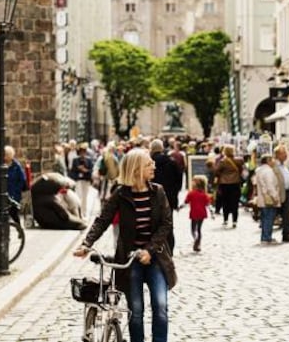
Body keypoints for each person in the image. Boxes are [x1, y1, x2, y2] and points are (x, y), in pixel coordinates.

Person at [73, 148, 176, 342]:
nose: (153, 166)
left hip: (155, 257)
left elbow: (166, 224)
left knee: (160, 306)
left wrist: (149, 250)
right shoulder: (121, 194)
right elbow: (102, 220)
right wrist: (87, 244)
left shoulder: (158, 192)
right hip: (130, 260)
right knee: (135, 310)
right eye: (148, 164)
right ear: (137, 170)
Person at [214, 144, 244, 228]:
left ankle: (225, 220)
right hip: (235, 183)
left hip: (224, 184)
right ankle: (234, 221)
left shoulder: (222, 161)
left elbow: (216, 171)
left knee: (225, 202)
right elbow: (242, 169)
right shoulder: (239, 160)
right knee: (235, 202)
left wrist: (222, 174)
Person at [255, 154, 280, 244]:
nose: (273, 161)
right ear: (268, 161)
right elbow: (270, 186)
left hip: (263, 198)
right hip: (269, 198)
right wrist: (275, 197)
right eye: (272, 159)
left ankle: (264, 237)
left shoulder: (260, 170)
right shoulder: (268, 171)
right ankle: (267, 237)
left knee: (265, 218)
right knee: (269, 218)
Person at [273, 145, 289, 242]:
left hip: (287, 192)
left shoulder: (284, 166)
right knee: (274, 213)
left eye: (286, 153)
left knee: (287, 214)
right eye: (283, 153)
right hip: (279, 192)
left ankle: (286, 234)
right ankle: (267, 234)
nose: (286, 155)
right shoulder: (274, 165)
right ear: (277, 155)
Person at [184, 175, 211, 252]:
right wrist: (212, 213)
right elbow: (208, 205)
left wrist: (179, 207)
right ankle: (198, 245)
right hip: (202, 214)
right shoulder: (204, 194)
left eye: (193, 181)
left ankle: (195, 238)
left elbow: (185, 202)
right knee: (199, 229)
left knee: (193, 229)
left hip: (194, 213)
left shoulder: (191, 193)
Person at [5, 145, 27, 225]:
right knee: (4, 213)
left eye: (5, 154)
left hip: (14, 193)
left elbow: (22, 179)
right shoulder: (2, 165)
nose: (4, 156)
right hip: (4, 192)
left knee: (13, 212)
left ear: (10, 155)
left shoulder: (16, 166)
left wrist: (17, 190)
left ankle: (19, 228)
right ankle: (4, 230)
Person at [70, 143, 93, 218]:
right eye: (81, 152)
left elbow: (91, 170)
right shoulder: (75, 160)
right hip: (78, 180)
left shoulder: (88, 160)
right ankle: (78, 212)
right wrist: (78, 168)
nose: (83, 153)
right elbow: (72, 170)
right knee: (79, 196)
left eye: (84, 151)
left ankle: (84, 212)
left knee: (85, 197)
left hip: (86, 180)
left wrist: (86, 170)